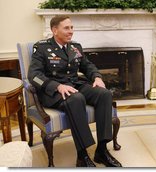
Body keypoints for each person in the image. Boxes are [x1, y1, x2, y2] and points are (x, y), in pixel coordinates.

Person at [28, 15, 122, 167]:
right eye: (66, 28)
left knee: (104, 94)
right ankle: (82, 155)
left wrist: (97, 77)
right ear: (54, 30)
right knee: (76, 98)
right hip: (55, 91)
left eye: (72, 27)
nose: (71, 31)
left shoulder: (75, 47)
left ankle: (102, 150)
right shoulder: (42, 48)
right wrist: (56, 86)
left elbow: (87, 66)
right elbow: (33, 76)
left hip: (75, 84)